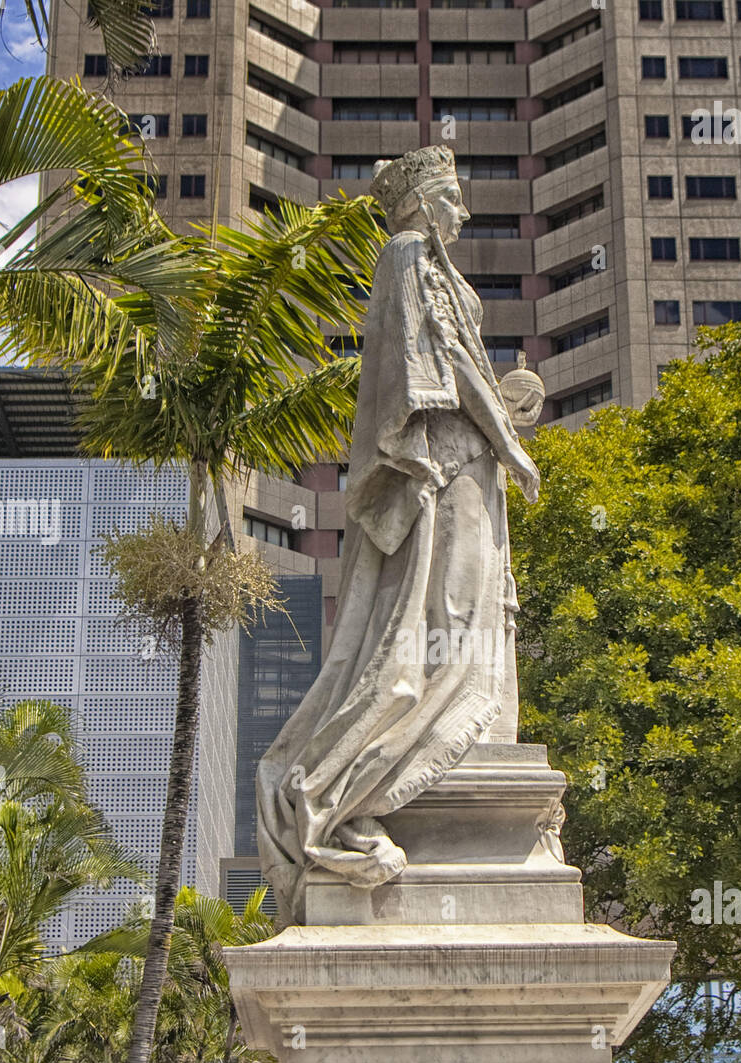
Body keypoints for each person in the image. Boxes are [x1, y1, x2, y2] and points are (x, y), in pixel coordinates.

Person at [256, 144, 542, 924]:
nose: (462, 212)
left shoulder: (432, 263)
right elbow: (440, 371)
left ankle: (461, 737)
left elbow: (465, 370)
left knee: (474, 606)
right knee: (447, 607)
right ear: (420, 202)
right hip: (447, 465)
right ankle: (369, 772)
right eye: (451, 197)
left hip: (469, 462)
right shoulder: (409, 252)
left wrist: (507, 424)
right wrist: (507, 441)